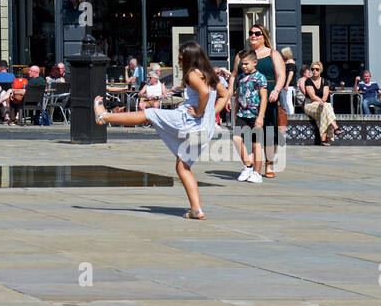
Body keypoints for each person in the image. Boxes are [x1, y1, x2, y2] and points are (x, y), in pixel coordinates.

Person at [92, 41, 225, 220]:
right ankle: (196, 210)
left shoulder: (193, 74)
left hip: (188, 122)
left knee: (149, 114)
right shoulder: (210, 75)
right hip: (203, 129)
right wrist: (209, 115)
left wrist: (201, 111)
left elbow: (204, 93)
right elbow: (225, 95)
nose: (178, 62)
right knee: (183, 167)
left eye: (180, 59)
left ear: (191, 59)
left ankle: (104, 117)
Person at [232, 24, 287, 177]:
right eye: (251, 33)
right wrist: (231, 96)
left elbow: (281, 75)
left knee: (269, 132)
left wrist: (276, 90)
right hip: (247, 98)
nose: (253, 36)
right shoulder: (243, 55)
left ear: (264, 36)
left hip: (268, 95)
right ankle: (250, 165)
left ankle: (269, 164)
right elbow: (234, 75)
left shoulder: (273, 54)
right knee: (245, 134)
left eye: (257, 33)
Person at [230, 51, 267, 182]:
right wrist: (234, 113)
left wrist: (260, 116)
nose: (244, 66)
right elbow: (237, 95)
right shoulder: (240, 77)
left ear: (255, 62)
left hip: (255, 114)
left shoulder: (260, 78)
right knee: (236, 138)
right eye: (242, 64)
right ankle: (248, 165)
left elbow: (264, 98)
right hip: (241, 113)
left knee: (256, 144)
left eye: (246, 64)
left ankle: (257, 173)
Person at [301, 61, 345, 145]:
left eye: (317, 69)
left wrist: (322, 101)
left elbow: (325, 95)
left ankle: (323, 140)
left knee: (325, 110)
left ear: (320, 70)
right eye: (312, 69)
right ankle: (335, 128)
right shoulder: (308, 81)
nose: (314, 71)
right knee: (327, 107)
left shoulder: (325, 81)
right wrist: (321, 101)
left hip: (321, 104)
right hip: (310, 104)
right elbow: (312, 96)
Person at [279, 47, 297, 117]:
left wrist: (287, 84)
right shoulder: (285, 62)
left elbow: (291, 74)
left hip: (288, 85)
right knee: (285, 101)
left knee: (288, 101)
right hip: (284, 84)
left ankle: (291, 116)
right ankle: (287, 115)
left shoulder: (291, 62)